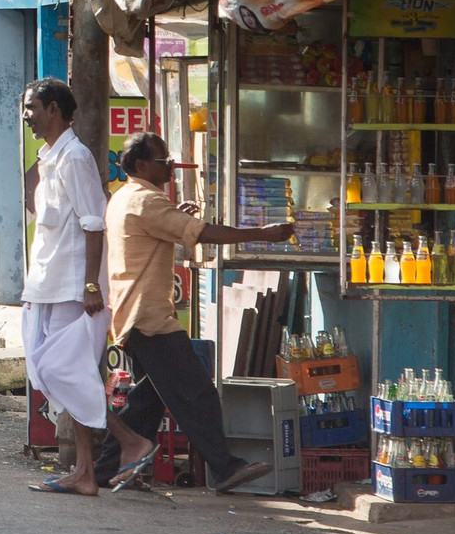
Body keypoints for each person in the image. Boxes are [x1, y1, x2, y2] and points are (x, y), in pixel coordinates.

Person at [93, 132, 295, 494]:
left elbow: (169, 228)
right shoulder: (144, 201)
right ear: (141, 165)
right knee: (197, 393)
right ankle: (224, 467)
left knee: (149, 401)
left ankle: (107, 469)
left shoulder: (130, 197)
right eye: (163, 160)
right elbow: (202, 233)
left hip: (136, 315)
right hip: (149, 318)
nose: (170, 166)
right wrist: (260, 232)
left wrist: (178, 218)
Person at [19, 78, 151, 496]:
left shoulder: (75, 158)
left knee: (62, 371)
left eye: (32, 108)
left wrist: (91, 285)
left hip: (76, 289)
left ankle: (129, 441)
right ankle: (86, 473)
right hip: (47, 285)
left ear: (54, 109)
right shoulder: (51, 158)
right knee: (57, 373)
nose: (28, 116)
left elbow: (94, 224)